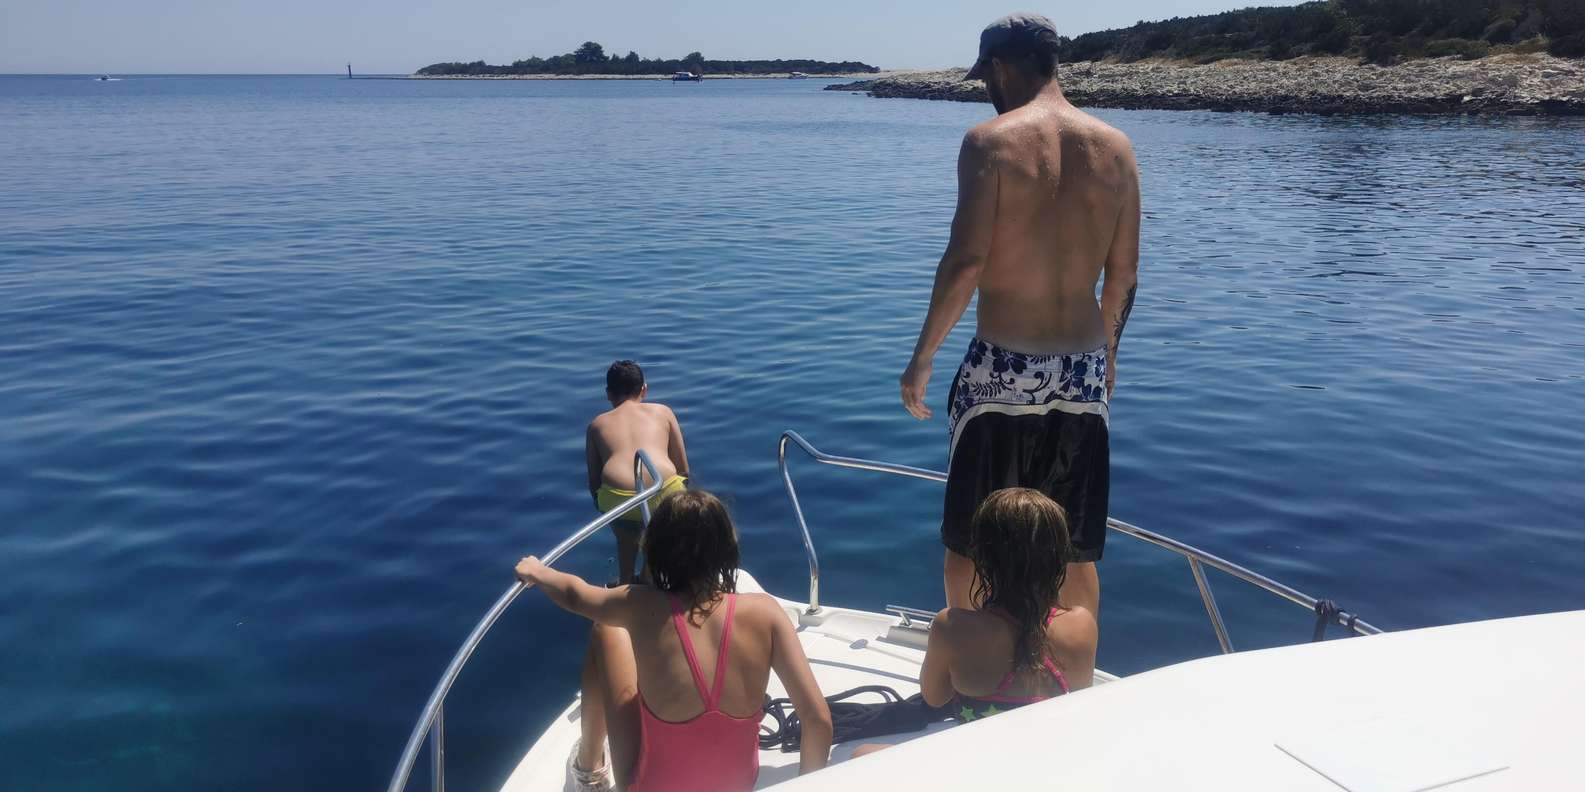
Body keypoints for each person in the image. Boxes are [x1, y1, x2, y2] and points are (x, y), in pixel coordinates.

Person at [897, 12, 1141, 616]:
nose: (987, 88)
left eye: (987, 76)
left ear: (1002, 68)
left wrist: (922, 359)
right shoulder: (1116, 147)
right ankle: (1075, 661)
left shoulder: (990, 143)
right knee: (1072, 545)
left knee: (971, 538)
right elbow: (1123, 275)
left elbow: (966, 261)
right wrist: (1107, 358)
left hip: (1002, 370)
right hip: (1083, 369)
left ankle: (970, 660)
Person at [515, 490, 833, 792]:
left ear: (654, 551)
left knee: (607, 630)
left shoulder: (638, 605)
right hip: (739, 785)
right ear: (727, 549)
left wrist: (538, 572)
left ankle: (589, 767)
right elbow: (818, 721)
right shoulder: (766, 613)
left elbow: (575, 595)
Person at [854, 488, 1095, 758]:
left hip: (971, 765)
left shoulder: (952, 627)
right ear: (1059, 558)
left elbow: (934, 698)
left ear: (982, 558)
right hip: (1042, 762)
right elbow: (1080, 701)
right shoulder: (1081, 625)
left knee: (861, 754)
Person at [587, 360, 690, 583]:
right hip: (665, 490)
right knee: (659, 543)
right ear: (644, 389)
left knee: (625, 541)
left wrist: (602, 504)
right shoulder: (663, 412)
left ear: (608, 393)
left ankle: (626, 582)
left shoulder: (597, 424)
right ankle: (650, 579)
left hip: (618, 500)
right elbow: (683, 469)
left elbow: (594, 482)